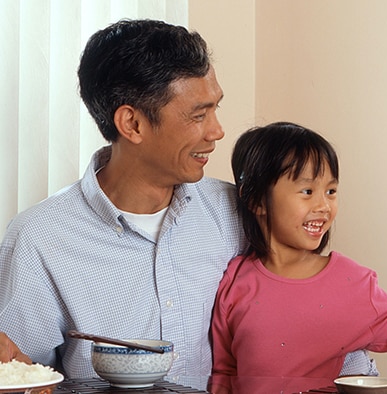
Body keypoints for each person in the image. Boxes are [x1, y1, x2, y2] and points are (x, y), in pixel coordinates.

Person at [0, 19, 246, 390]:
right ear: (131, 124)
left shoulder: (234, 213)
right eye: (198, 115)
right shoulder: (39, 238)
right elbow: (21, 374)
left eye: (215, 109)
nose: (217, 131)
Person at [209, 122, 387, 393]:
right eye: (307, 192)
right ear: (256, 200)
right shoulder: (235, 279)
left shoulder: (351, 280)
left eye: (331, 191)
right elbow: (224, 373)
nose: (323, 206)